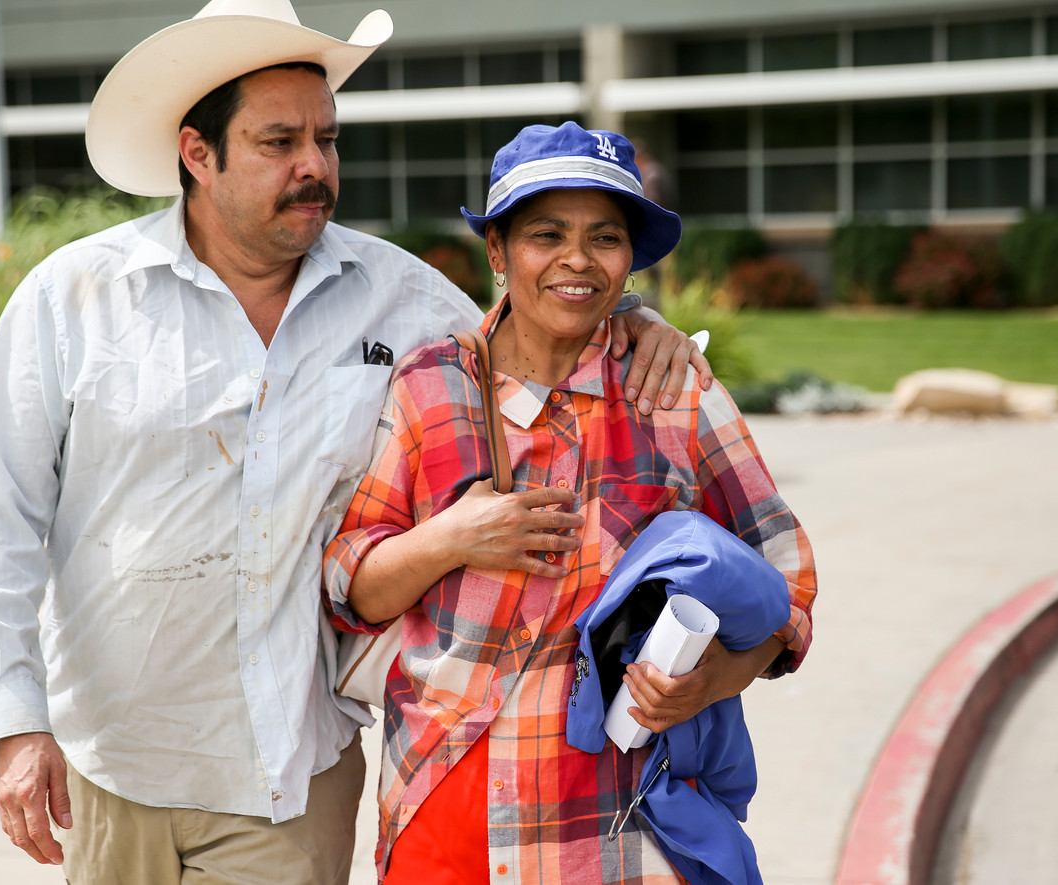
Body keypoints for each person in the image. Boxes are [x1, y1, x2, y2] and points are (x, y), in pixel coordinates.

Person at [0, 1, 709, 882]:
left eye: (327, 139)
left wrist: (641, 320)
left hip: (290, 779)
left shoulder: (404, 300)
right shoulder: (75, 297)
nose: (315, 166)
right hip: (111, 764)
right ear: (198, 152)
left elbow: (540, 324)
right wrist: (12, 720)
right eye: (279, 143)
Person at [323, 122, 817, 883]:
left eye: (605, 237)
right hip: (443, 806)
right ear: (498, 251)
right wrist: (451, 538)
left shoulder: (674, 391)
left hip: (609, 828)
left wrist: (713, 677)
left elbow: (787, 577)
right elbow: (349, 584)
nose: (577, 259)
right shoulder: (432, 385)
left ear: (631, 259)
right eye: (545, 233)